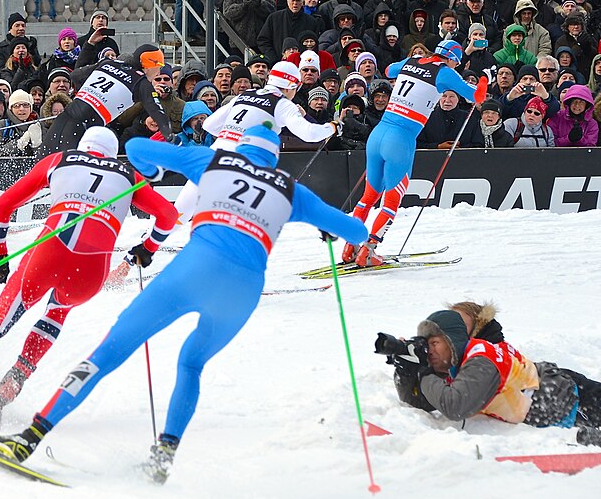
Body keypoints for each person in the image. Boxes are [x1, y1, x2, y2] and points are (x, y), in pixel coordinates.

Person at [0, 124, 368, 482]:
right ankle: (163, 455)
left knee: (109, 351)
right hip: (244, 290)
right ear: (274, 156)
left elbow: (135, 147)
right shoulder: (290, 190)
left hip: (195, 268)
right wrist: (324, 226)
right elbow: (357, 230)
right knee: (192, 363)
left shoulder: (213, 160)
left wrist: (149, 172)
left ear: (241, 148)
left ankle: (29, 439)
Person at [0, 126, 178, 416]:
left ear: (83, 146)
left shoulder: (61, 159)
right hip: (93, 269)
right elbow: (169, 215)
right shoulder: (128, 175)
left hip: (51, 251)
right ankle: (14, 382)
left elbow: (3, 206)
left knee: (0, 320)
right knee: (56, 313)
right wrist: (148, 249)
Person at [343, 40, 485, 267]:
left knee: (368, 197)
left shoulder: (413, 60)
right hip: (400, 139)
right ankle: (368, 252)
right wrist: (483, 85)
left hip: (378, 133)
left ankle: (350, 246)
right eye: (456, 63)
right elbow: (475, 96)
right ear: (452, 59)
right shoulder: (444, 72)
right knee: (391, 202)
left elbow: (390, 70)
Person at [388, 302, 601, 448]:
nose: (430, 348)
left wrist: (424, 372)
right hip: (553, 397)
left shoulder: (482, 355)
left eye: (435, 342)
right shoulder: (455, 363)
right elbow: (424, 401)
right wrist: (408, 370)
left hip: (568, 396)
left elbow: (455, 405)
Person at [171, 60, 340, 219]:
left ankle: (149, 243)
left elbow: (209, 124)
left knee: (179, 213)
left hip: (213, 155)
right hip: (242, 163)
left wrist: (230, 134)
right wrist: (332, 127)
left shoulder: (244, 95)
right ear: (291, 86)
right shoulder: (282, 104)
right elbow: (308, 133)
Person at [40, 44, 174, 154]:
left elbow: (75, 76)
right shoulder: (142, 83)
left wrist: (89, 93)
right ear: (150, 64)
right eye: (159, 66)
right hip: (85, 128)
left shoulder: (108, 63)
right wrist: (171, 137)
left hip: (66, 115)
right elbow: (158, 113)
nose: (159, 72)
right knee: (67, 172)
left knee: (41, 165)